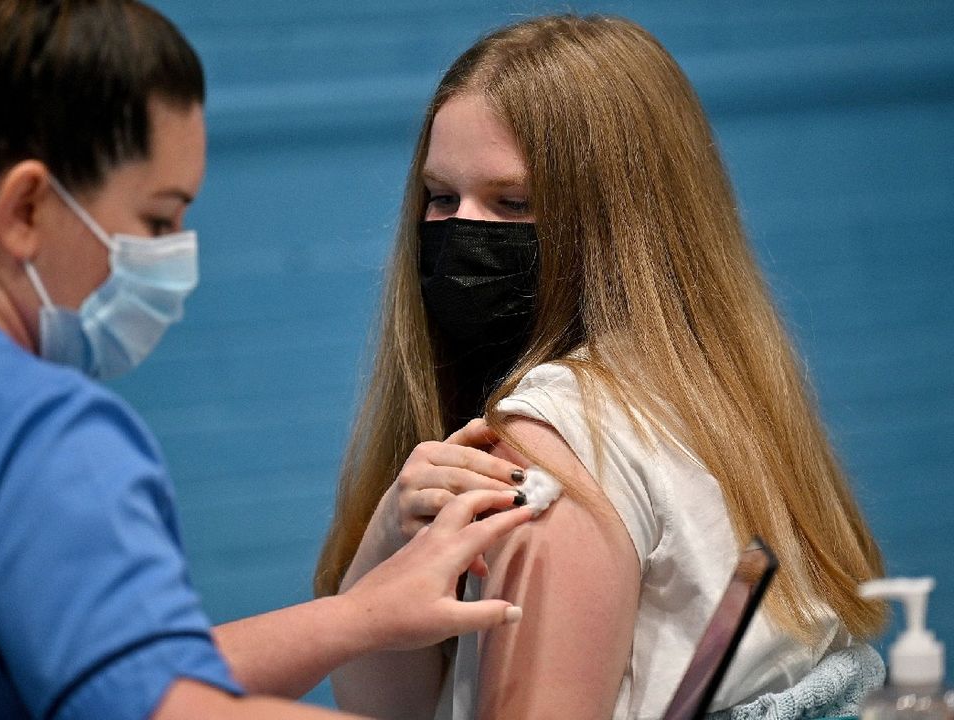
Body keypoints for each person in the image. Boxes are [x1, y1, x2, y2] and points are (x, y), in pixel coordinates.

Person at [0, 1, 540, 719]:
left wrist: (354, 618)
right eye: (158, 220)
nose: (176, 256)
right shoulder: (34, 428)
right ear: (23, 210)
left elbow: (101, 667)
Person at [314, 14, 887, 720]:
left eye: (513, 202)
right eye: (440, 197)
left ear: (623, 220)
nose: (463, 231)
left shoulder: (558, 431)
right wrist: (385, 541)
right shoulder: (714, 397)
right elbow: (392, 705)